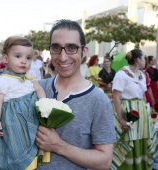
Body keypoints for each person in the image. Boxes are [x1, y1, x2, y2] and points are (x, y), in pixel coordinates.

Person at [36, 19, 116, 170]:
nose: (63, 57)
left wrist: (59, 146)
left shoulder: (98, 100)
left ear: (84, 51)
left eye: (71, 48)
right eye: (56, 48)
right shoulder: (38, 88)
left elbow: (104, 161)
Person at [0, 36, 46, 170]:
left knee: (33, 143)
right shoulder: (3, 81)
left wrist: (44, 103)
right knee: (15, 148)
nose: (23, 61)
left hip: (31, 120)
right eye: (18, 56)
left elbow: (39, 89)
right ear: (6, 59)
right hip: (13, 124)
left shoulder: (29, 77)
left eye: (28, 58)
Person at [111, 49, 156, 170]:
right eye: (143, 58)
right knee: (128, 140)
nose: (145, 61)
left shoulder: (141, 74)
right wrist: (121, 118)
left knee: (142, 139)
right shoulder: (121, 74)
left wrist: (147, 111)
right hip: (128, 112)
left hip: (141, 113)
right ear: (137, 60)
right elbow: (116, 97)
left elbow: (142, 95)